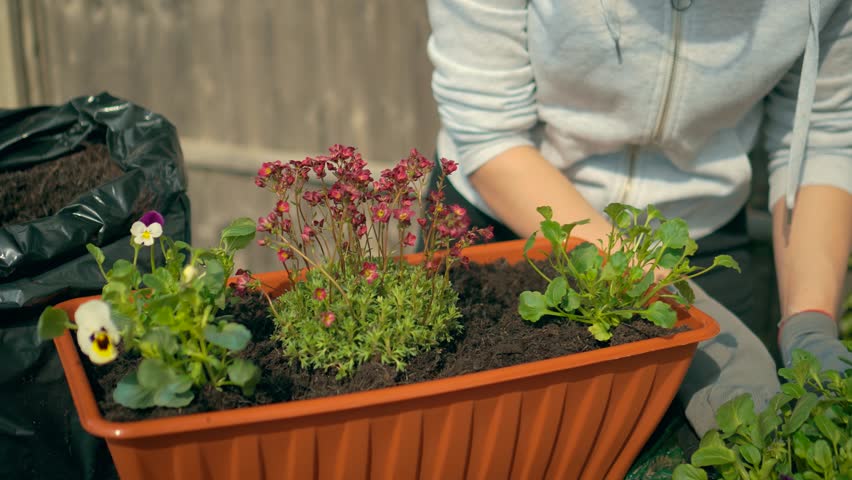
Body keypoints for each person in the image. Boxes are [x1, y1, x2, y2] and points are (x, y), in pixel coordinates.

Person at [425, 0, 852, 435]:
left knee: (742, 434)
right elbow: (490, 132)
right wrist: (676, 302)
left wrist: (810, 323)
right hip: (511, 221)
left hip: (698, 235)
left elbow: (820, 133)